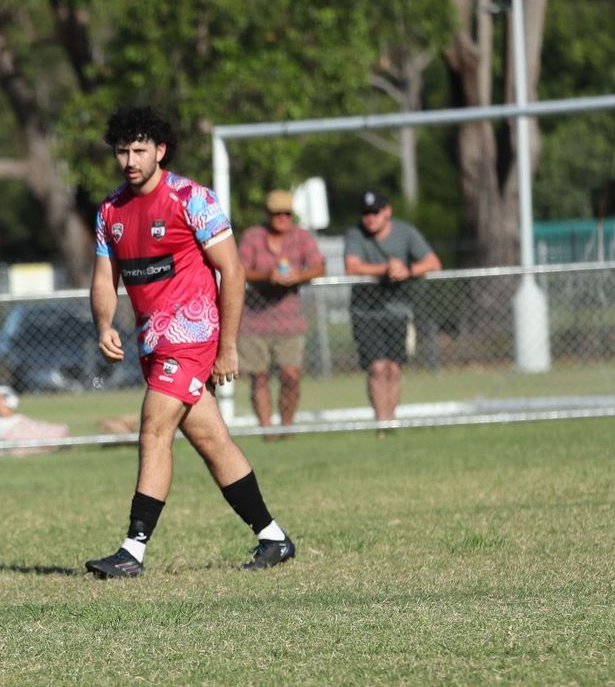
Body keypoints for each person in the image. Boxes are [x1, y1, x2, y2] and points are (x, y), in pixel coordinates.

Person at [84, 106, 296, 577]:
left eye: (140, 150)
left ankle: (131, 552)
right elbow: (104, 279)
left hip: (193, 335)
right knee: (210, 438)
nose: (130, 160)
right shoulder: (110, 211)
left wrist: (228, 346)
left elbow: (233, 271)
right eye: (123, 151)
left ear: (160, 151)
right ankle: (273, 537)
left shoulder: (192, 199)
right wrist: (104, 324)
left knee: (154, 427)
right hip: (151, 344)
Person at [343, 189, 440, 429]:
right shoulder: (355, 234)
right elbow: (352, 266)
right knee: (377, 368)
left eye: (375, 212)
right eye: (366, 213)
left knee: (394, 369)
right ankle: (380, 422)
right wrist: (385, 269)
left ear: (387, 211)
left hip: (398, 311)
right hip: (365, 312)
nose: (370, 218)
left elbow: (433, 263)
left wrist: (406, 270)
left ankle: (391, 420)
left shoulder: (406, 232)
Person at [237, 190, 325, 431]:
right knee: (259, 377)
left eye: (287, 214)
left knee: (291, 375)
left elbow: (319, 266)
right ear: (268, 214)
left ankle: (287, 427)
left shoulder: (302, 237)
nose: (282, 218)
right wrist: (267, 276)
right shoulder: (253, 237)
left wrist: (300, 275)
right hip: (254, 320)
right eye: (277, 213)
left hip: (290, 321)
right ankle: (267, 430)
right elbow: (239, 270)